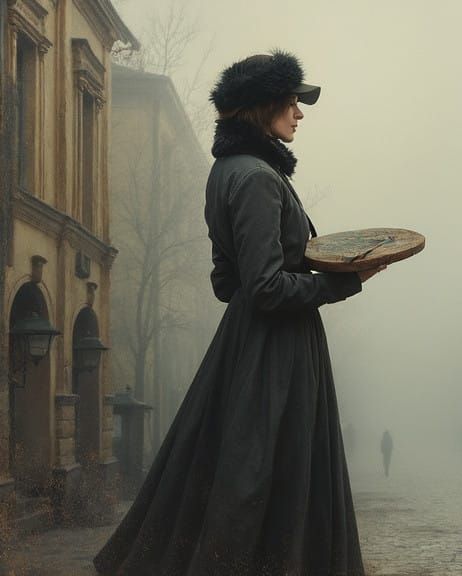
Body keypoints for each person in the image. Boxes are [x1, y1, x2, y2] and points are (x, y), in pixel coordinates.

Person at [94, 52, 382, 575]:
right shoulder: (257, 179)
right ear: (261, 106)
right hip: (277, 351)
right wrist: (342, 281)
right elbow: (266, 288)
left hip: (248, 344)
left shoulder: (230, 172)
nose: (299, 113)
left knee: (240, 471)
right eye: (292, 102)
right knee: (263, 477)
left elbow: (227, 282)